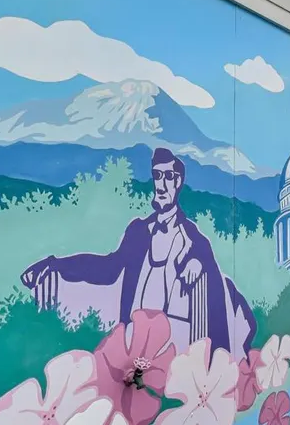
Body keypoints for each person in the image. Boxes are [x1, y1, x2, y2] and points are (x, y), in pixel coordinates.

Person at [21, 148, 256, 359]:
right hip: (134, 349)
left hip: (177, 355)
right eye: (157, 175)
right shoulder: (138, 231)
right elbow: (108, 269)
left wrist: (199, 264)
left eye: (168, 176)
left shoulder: (194, 240)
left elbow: (217, 300)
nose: (161, 184)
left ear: (178, 182)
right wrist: (56, 265)